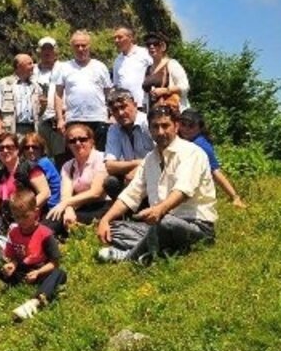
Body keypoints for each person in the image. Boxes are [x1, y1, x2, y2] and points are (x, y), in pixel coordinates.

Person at [97, 105, 217, 263]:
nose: (160, 132)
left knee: (166, 223)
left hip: (194, 226)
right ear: (150, 129)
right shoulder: (149, 159)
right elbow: (131, 194)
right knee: (114, 227)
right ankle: (160, 250)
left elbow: (183, 191)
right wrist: (105, 219)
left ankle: (129, 257)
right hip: (159, 224)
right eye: (155, 127)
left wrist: (160, 209)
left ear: (176, 126)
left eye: (165, 126)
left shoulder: (191, 153)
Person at [0, 189, 67, 321]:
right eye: (17, 217)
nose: (21, 221)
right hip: (19, 273)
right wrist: (11, 264)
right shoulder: (14, 232)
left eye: (25, 216)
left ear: (36, 212)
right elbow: (12, 255)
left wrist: (38, 272)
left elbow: (54, 263)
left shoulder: (45, 234)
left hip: (39, 273)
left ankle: (35, 302)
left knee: (59, 273)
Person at [0, 132, 51, 239]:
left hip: (28, 221)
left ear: (17, 150)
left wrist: (23, 212)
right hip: (7, 221)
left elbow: (45, 193)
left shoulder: (29, 168)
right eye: (1, 148)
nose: (5, 151)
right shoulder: (0, 176)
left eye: (9, 147)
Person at [46, 123, 111, 236]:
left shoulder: (102, 158)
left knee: (69, 222)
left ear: (91, 141)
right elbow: (66, 194)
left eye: (82, 139)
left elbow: (95, 193)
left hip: (101, 205)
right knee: (50, 220)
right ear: (68, 145)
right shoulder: (68, 166)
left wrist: (66, 204)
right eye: (72, 141)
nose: (77, 143)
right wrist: (68, 209)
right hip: (79, 206)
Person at [55, 29, 112, 151]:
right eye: (77, 46)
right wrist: (60, 119)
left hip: (98, 118)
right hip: (74, 119)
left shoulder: (100, 66)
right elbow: (58, 94)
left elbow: (109, 93)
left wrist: (111, 115)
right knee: (76, 156)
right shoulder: (64, 67)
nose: (80, 49)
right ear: (72, 47)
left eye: (83, 45)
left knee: (99, 156)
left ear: (89, 46)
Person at [178, 108, 247, 208]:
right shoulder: (183, 140)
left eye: (191, 126)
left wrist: (234, 197)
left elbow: (215, 172)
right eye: (183, 124)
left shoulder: (201, 145)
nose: (186, 129)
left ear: (199, 127)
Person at [104, 88, 155, 200]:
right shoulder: (114, 129)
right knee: (111, 182)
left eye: (123, 107)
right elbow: (110, 166)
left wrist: (140, 169)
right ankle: (124, 214)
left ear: (135, 105)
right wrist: (138, 164)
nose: (120, 113)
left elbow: (163, 156)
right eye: (115, 110)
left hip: (156, 171)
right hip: (133, 172)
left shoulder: (149, 123)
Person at [0, 54, 43, 141]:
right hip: (11, 130)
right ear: (19, 66)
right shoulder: (3, 84)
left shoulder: (36, 86)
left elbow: (41, 112)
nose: (33, 66)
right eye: (29, 63)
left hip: (32, 130)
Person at [34, 36, 67, 165]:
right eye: (44, 49)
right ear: (39, 51)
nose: (47, 52)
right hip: (39, 120)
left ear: (56, 51)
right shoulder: (33, 70)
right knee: (41, 155)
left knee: (61, 157)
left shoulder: (65, 68)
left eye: (50, 49)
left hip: (58, 119)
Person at [142, 31, 190, 112]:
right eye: (148, 44)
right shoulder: (148, 69)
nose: (151, 46)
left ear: (163, 46)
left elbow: (185, 86)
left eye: (155, 43)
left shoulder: (172, 64)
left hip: (171, 113)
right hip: (153, 113)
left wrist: (165, 90)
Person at [111, 26, 153, 107]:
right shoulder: (117, 60)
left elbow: (157, 72)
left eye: (120, 37)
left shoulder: (144, 53)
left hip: (143, 103)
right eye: (115, 38)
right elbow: (116, 85)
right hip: (125, 106)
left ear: (130, 38)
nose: (116, 41)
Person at [19, 132, 61, 210]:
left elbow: (48, 192)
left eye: (34, 147)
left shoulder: (42, 163)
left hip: (51, 205)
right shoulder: (37, 162)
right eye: (26, 147)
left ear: (41, 149)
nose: (30, 150)